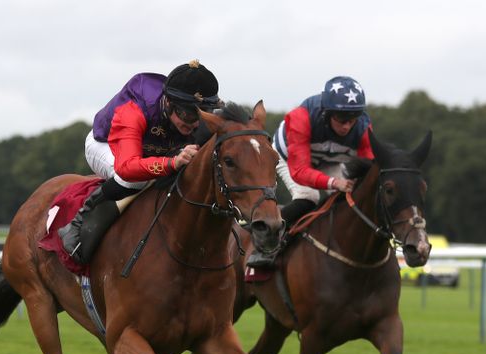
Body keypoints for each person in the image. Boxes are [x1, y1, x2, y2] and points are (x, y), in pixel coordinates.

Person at [58, 60, 221, 264]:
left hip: (158, 150)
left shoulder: (195, 119)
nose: (194, 124)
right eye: (187, 114)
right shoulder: (133, 110)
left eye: (202, 114)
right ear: (168, 103)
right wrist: (171, 163)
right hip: (107, 145)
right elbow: (127, 168)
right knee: (138, 180)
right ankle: (78, 221)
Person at [247, 75, 375, 268]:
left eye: (353, 119)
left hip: (328, 160)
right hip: (290, 157)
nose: (347, 126)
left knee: (349, 198)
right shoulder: (301, 117)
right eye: (341, 119)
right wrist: (334, 183)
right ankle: (265, 243)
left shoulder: (364, 127)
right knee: (309, 197)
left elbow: (369, 168)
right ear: (327, 113)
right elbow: (300, 171)